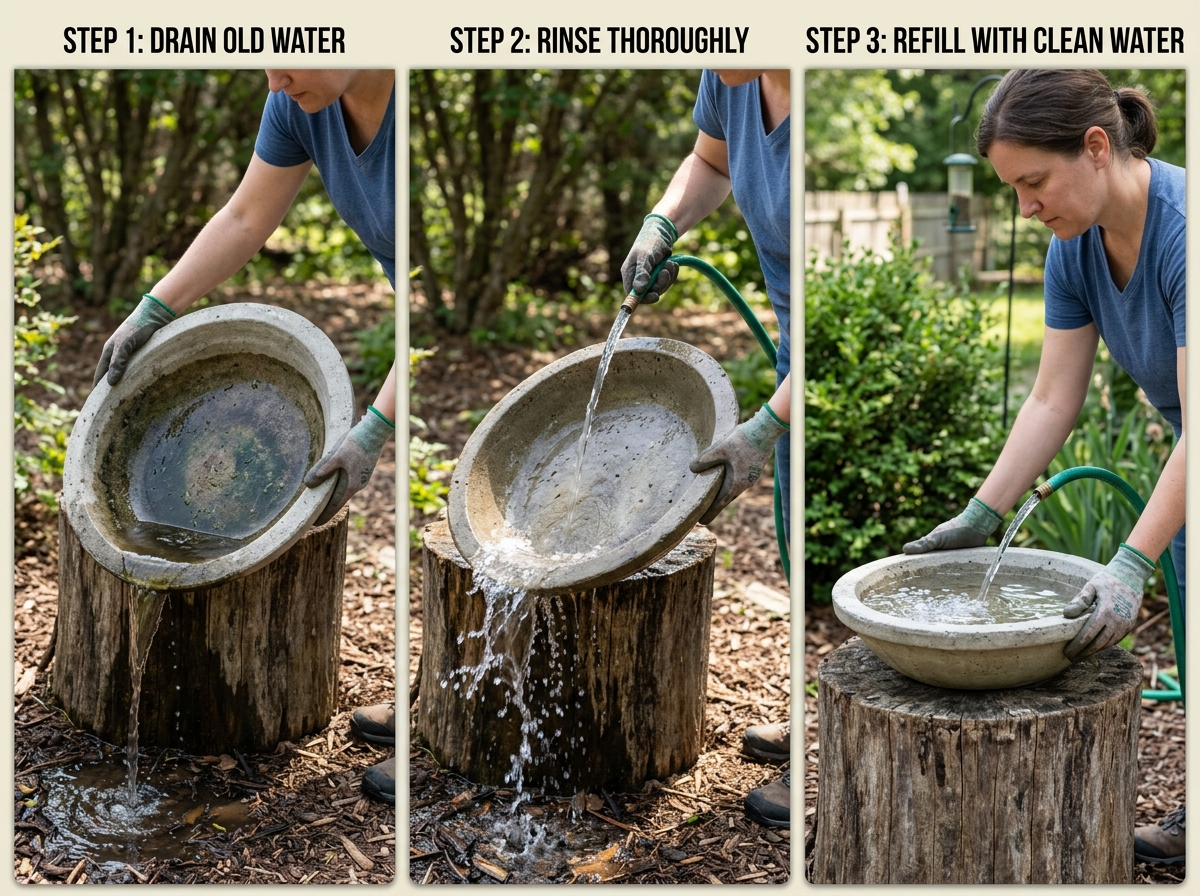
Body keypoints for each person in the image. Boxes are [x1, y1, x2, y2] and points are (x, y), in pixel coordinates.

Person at [92, 69, 399, 802]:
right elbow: (244, 217)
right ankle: (433, 705)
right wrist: (153, 310)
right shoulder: (298, 102)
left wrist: (377, 426)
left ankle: (454, 732)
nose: (274, 74)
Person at [904, 69, 1185, 865]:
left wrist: (1131, 561)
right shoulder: (1078, 245)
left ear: (1096, 147)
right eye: (1012, 189)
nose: (1026, 208)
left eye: (1034, 181)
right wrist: (979, 517)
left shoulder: (1185, 233)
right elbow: (1052, 401)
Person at [621, 69, 792, 829]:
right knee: (797, 546)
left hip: (840, 356)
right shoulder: (730, 73)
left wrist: (767, 423)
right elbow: (711, 162)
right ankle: (809, 721)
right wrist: (664, 221)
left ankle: (829, 766)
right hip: (796, 353)